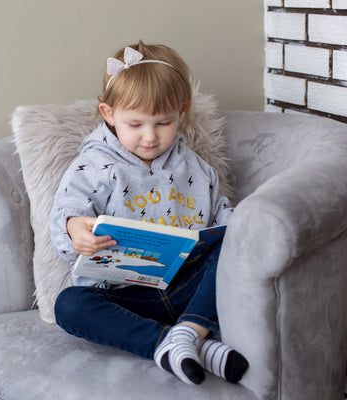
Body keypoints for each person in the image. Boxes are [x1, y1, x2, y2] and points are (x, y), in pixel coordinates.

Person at [49, 41, 248, 385]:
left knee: (234, 238)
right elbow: (67, 217)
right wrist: (74, 231)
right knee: (68, 305)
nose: (150, 136)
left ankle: (191, 330)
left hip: (187, 289)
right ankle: (175, 344)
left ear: (182, 112)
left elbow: (222, 218)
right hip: (123, 298)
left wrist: (240, 227)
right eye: (136, 124)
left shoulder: (198, 170)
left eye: (163, 123)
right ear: (109, 114)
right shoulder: (93, 166)